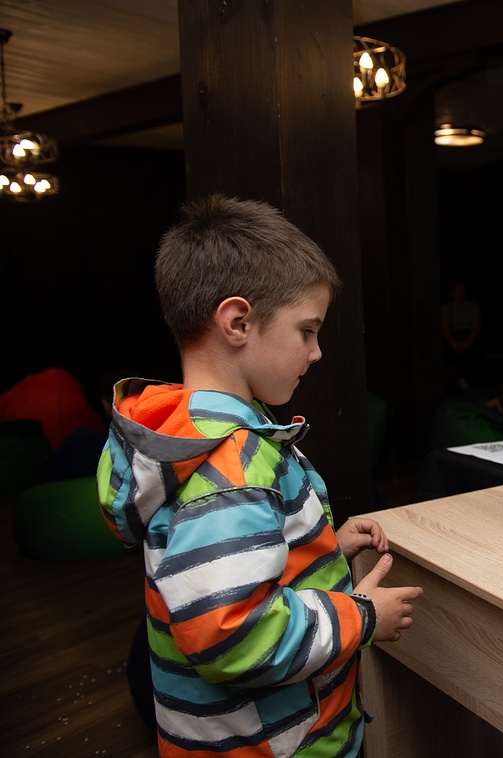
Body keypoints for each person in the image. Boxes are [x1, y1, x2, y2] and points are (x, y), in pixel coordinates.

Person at [97, 195, 423, 757]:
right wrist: (362, 616)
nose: (317, 352)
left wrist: (321, 550)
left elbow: (223, 568)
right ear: (239, 322)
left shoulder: (189, 437)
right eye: (307, 331)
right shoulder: (231, 465)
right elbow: (232, 637)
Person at [441, 281, 482, 389]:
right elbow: (445, 329)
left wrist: (465, 344)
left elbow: (475, 327)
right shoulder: (446, 309)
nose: (461, 293)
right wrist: (454, 344)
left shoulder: (472, 307)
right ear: (452, 292)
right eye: (458, 290)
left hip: (468, 338)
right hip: (453, 339)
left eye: (463, 290)